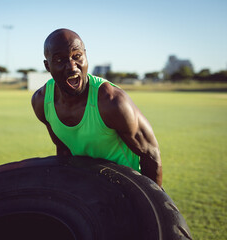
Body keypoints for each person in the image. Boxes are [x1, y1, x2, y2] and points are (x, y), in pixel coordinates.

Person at [31, 28, 162, 187]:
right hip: (89, 188)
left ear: (86, 56)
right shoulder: (42, 102)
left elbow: (151, 154)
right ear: (47, 65)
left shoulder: (112, 102)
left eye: (77, 56)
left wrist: (154, 207)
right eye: (60, 60)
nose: (72, 67)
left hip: (128, 189)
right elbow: (64, 151)